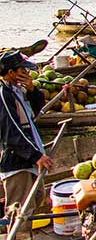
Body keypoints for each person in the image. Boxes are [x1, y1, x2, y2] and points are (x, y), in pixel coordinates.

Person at [0, 51, 51, 230]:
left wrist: (32, 90)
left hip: (29, 156)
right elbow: (12, 133)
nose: (27, 74)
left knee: (37, 198)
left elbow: (34, 114)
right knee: (20, 213)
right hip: (17, 160)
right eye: (23, 70)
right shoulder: (3, 93)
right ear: (12, 73)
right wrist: (36, 156)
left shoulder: (17, 90)